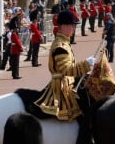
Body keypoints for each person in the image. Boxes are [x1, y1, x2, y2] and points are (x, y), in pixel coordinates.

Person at [34, 9, 95, 144]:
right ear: (62, 27)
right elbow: (67, 70)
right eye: (70, 25)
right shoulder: (61, 45)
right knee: (83, 114)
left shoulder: (64, 42)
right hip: (62, 87)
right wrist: (86, 64)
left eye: (73, 26)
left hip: (67, 82)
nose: (73, 28)